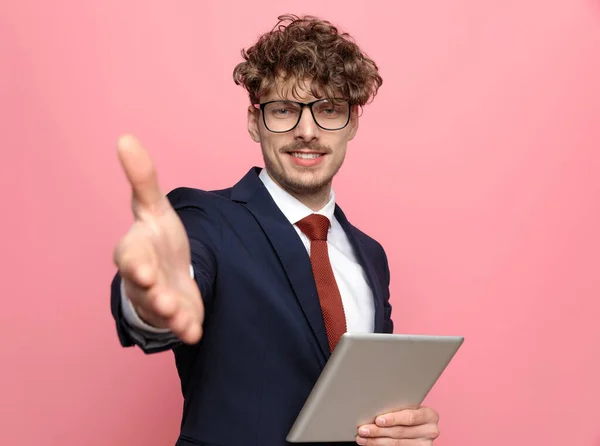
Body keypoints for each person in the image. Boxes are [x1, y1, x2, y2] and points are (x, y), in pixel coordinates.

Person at [110, 14, 441, 446]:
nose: (307, 132)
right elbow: (177, 275)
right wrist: (152, 300)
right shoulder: (206, 218)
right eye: (284, 110)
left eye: (328, 110)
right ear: (254, 121)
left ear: (353, 123)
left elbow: (366, 406)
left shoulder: (371, 255)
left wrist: (399, 430)